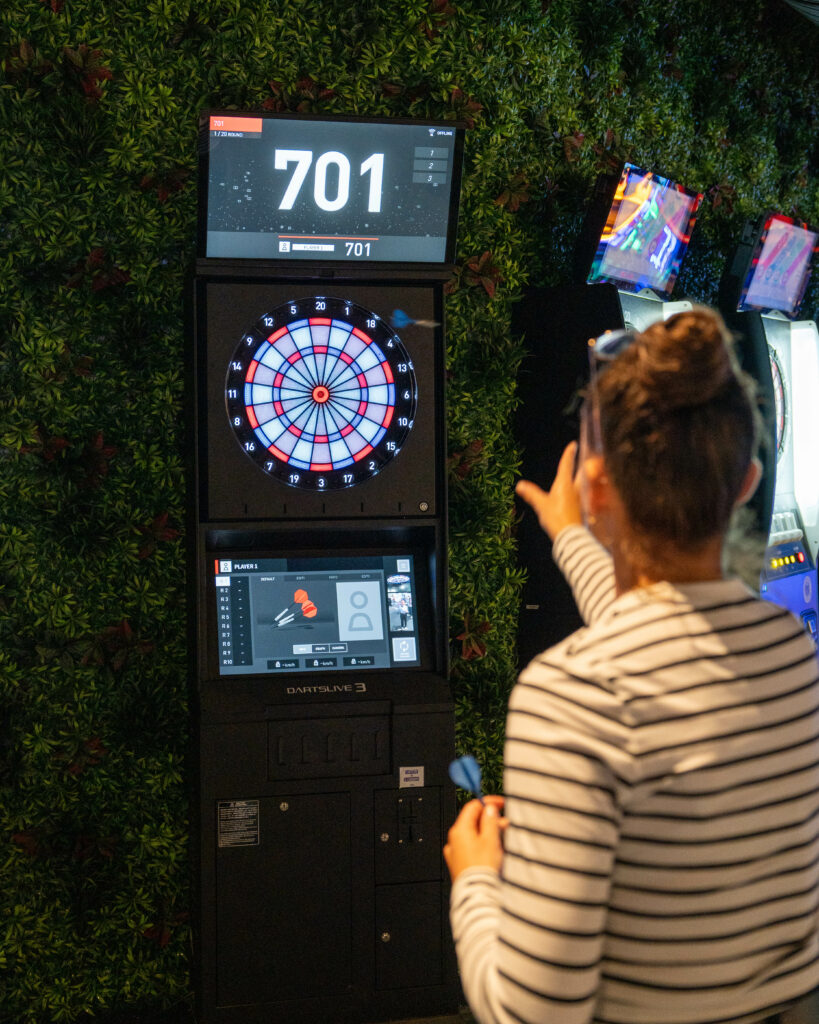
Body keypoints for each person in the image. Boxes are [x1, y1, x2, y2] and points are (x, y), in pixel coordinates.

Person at [445, 308, 819, 1024]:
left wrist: (476, 879)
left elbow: (532, 1011)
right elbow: (663, 627)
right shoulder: (786, 650)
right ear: (745, 481)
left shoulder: (570, 695)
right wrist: (569, 539)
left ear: (596, 485)